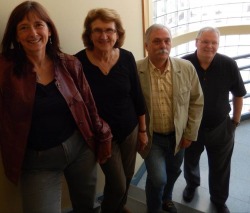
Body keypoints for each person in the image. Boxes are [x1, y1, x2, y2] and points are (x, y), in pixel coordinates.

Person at [0, 1, 113, 213]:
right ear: (16, 36)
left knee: (87, 207)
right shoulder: (5, 70)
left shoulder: (69, 64)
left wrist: (103, 134)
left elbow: (89, 105)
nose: (33, 33)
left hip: (80, 150)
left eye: (39, 25)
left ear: (49, 29)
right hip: (37, 163)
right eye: (24, 27)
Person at [75, 8, 148, 213]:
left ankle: (120, 207)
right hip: (102, 136)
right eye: (97, 30)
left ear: (117, 34)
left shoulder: (126, 57)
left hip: (130, 130)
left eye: (109, 30)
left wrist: (142, 131)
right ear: (89, 34)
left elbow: (137, 96)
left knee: (127, 176)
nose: (104, 36)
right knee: (118, 185)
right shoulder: (77, 63)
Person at [136, 24, 204, 213]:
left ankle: (167, 198)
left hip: (178, 135)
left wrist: (189, 133)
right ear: (147, 45)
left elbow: (197, 101)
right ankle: (154, 209)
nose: (163, 45)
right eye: (157, 41)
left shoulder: (186, 68)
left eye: (167, 40)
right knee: (158, 178)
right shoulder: (135, 70)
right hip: (152, 137)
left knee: (174, 171)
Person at [182, 27, 247, 213]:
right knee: (191, 159)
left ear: (218, 44)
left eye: (214, 42)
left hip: (221, 126)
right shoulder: (184, 64)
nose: (209, 46)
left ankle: (219, 199)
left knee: (220, 166)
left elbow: (239, 95)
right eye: (205, 41)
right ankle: (192, 184)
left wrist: (234, 122)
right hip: (191, 127)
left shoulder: (228, 64)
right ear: (196, 42)